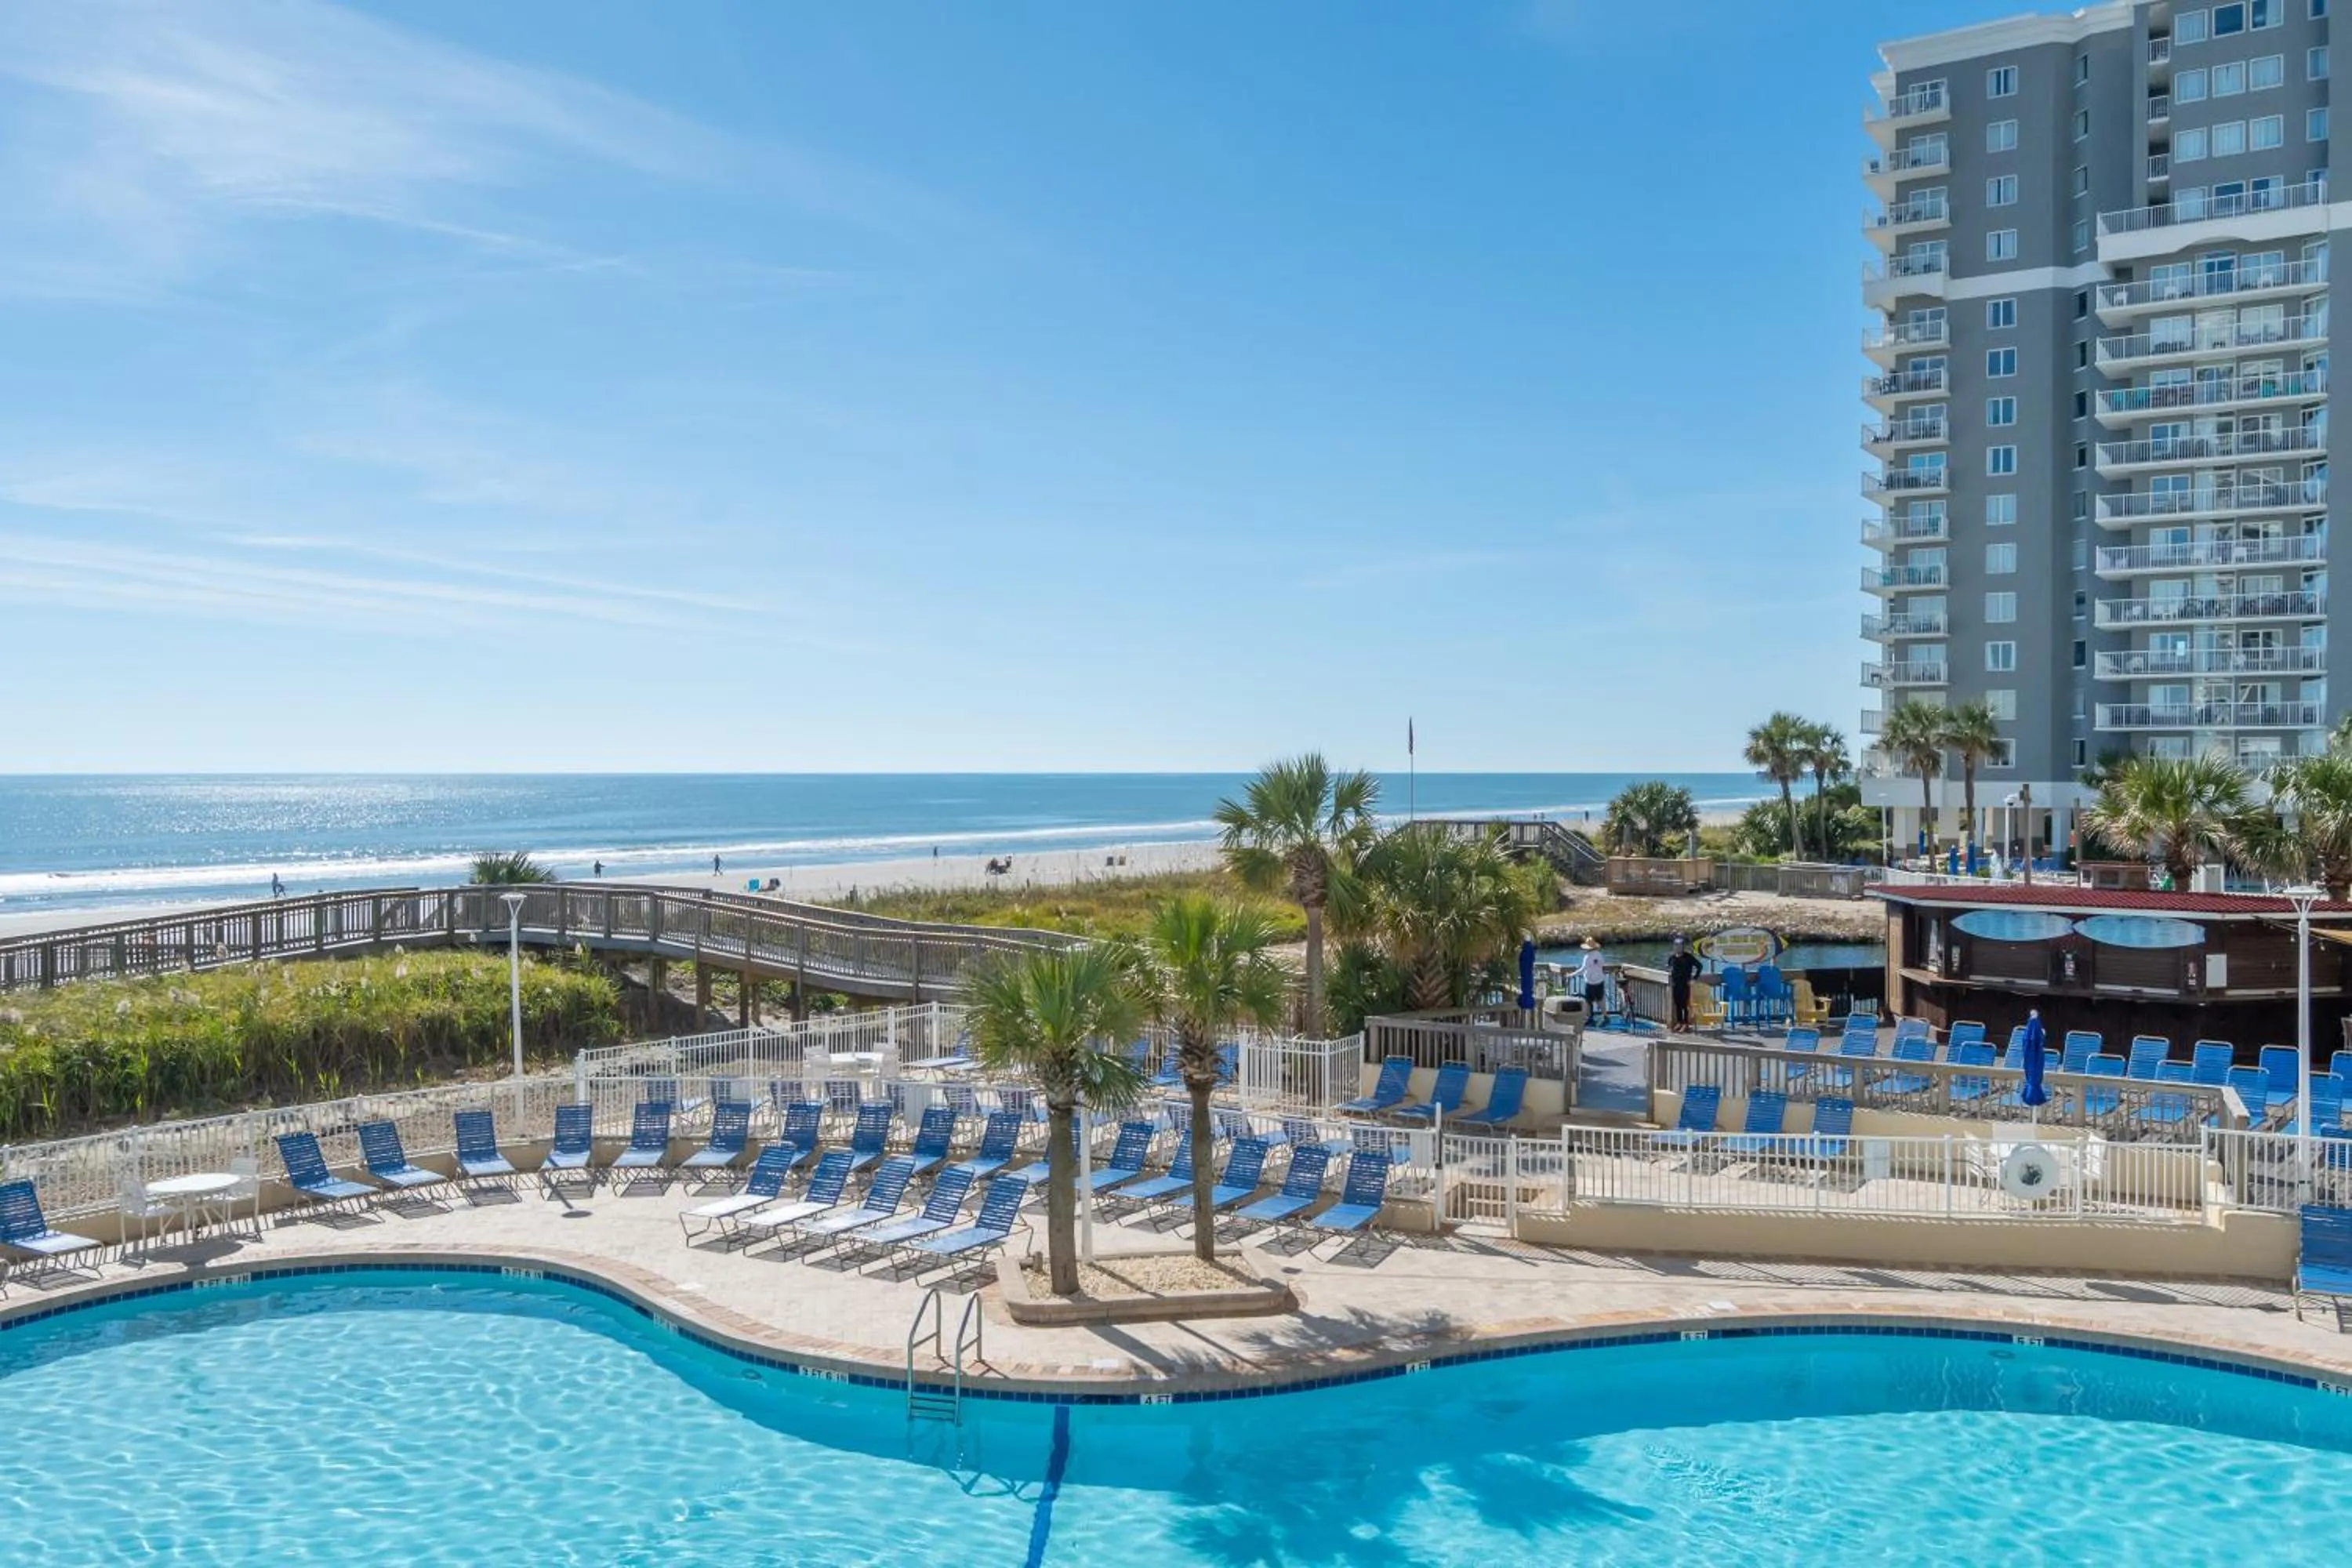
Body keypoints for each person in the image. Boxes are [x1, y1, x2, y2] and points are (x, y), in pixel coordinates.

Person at [1666, 935, 1703, 1033]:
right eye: (1676, 946)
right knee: (1677, 1004)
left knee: (1685, 1005)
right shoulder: (1672, 958)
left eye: (1680, 946)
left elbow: (1700, 966)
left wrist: (1694, 978)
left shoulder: (1688, 957)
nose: (1678, 948)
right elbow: (1669, 969)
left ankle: (1686, 1024)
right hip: (1675, 984)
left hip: (1686, 984)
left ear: (1683, 947)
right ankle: (1679, 1022)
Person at [1578, 937, 1606, 1022]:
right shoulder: (1599, 955)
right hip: (1599, 981)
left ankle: (1589, 1017)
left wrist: (1572, 974)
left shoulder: (1587, 957)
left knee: (1588, 1000)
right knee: (1600, 999)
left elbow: (1583, 969)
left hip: (1590, 982)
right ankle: (1605, 1016)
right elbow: (1602, 965)